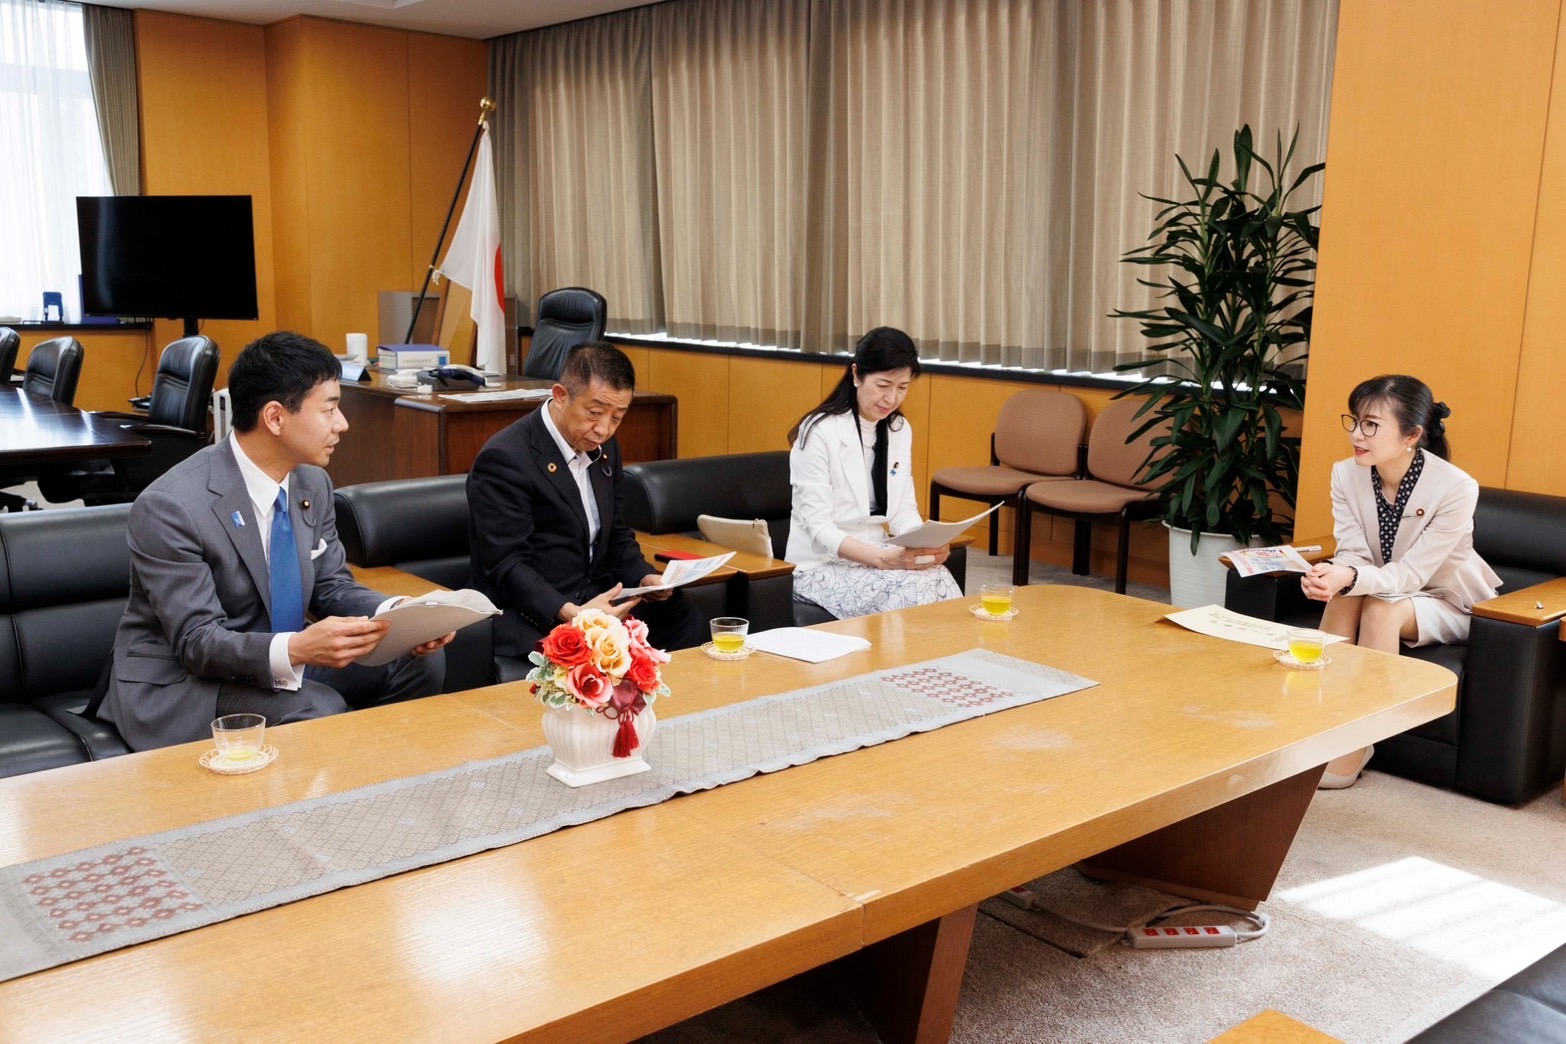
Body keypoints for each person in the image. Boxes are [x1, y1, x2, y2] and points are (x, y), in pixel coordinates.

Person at [100, 331, 452, 752]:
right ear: (275, 417)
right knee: (317, 707)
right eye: (330, 409)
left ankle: (386, 771)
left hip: (282, 658)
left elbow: (331, 586)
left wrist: (401, 615)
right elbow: (197, 643)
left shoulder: (312, 483)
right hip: (188, 680)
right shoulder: (171, 506)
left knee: (419, 661)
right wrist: (299, 647)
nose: (342, 424)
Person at [1300, 374, 1500, 788]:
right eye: (1355, 421)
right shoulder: (1345, 474)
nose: (1357, 434)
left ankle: (1356, 746)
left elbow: (1412, 575)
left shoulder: (1456, 487)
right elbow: (1353, 551)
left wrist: (1351, 576)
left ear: (1411, 435)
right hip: (1383, 584)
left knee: (1381, 607)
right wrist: (1330, 576)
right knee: (1343, 596)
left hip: (1447, 601)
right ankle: (1314, 728)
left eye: (1371, 425)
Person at [466, 341, 707, 663]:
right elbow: (507, 564)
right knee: (588, 657)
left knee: (685, 620)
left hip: (597, 601)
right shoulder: (506, 458)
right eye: (594, 413)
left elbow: (615, 532)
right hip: (535, 610)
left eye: (617, 417)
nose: (603, 430)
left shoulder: (604, 448)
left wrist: (644, 577)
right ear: (560, 395)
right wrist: (571, 613)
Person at [785, 326, 961, 619]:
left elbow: (903, 510)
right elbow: (819, 528)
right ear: (856, 374)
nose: (891, 398)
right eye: (883, 385)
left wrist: (924, 546)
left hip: (876, 555)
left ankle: (947, 650)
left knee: (938, 577)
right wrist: (883, 559)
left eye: (902, 388)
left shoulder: (898, 429)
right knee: (912, 590)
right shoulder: (819, 432)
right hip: (819, 567)